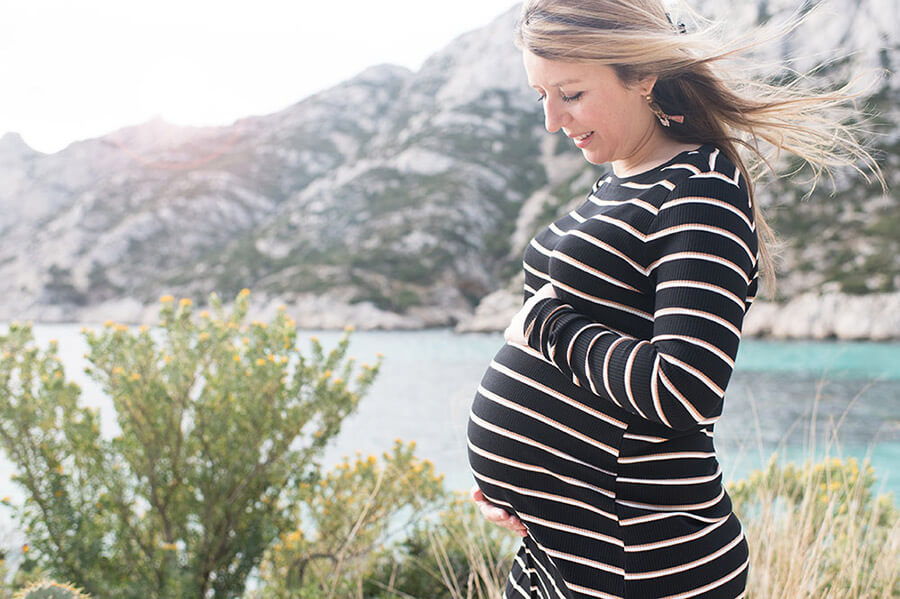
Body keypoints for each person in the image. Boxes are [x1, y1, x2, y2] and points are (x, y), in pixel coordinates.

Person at [466, 1, 882, 597]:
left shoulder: (698, 192)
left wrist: (550, 327)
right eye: (541, 96)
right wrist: (527, 487)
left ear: (642, 75)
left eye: (572, 93)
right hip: (568, 544)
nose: (553, 121)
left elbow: (684, 391)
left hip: (644, 558)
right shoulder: (622, 178)